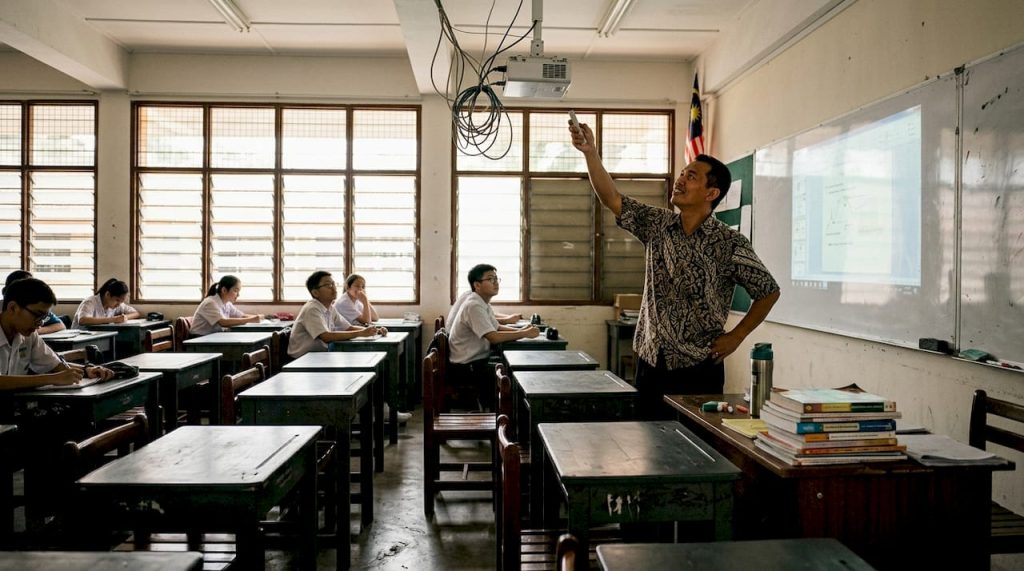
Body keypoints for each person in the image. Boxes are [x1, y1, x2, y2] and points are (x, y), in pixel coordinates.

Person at [570, 122, 781, 419]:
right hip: (650, 360)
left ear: (711, 193)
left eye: (691, 176)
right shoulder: (658, 224)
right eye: (682, 173)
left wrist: (737, 336)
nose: (680, 180)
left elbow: (768, 291)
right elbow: (612, 199)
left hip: (698, 366)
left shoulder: (729, 242)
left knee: (695, 454)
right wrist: (590, 153)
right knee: (651, 447)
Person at [289, 271, 410, 424]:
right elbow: (325, 336)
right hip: (304, 362)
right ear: (315, 292)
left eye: (333, 284)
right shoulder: (313, 308)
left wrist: (373, 331)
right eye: (328, 285)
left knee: (374, 368)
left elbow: (347, 328)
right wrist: (362, 333)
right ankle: (361, 413)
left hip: (321, 357)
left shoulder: (329, 308)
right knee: (365, 371)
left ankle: (377, 411)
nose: (333, 288)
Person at [447, 264, 540, 410]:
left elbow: (496, 327)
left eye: (496, 278)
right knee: (512, 377)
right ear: (477, 285)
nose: (495, 282)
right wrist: (524, 333)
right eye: (490, 279)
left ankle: (508, 418)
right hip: (466, 367)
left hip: (475, 361)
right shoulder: (474, 305)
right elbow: (494, 337)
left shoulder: (482, 302)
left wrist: (522, 330)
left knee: (510, 371)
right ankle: (503, 419)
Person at [1, 278, 114, 390]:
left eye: (43, 318)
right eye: (37, 315)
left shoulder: (29, 335)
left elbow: (54, 364)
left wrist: (86, 370)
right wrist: (52, 379)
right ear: (13, 308)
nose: (39, 325)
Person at [191, 275, 264, 336]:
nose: (238, 295)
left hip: (212, 337)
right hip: (199, 339)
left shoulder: (227, 303)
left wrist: (259, 317)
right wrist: (251, 319)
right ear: (224, 290)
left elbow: (241, 315)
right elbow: (223, 322)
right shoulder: (210, 303)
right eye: (235, 291)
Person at [3, 270, 65, 334]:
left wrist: (35, 331)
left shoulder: (28, 332)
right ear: (12, 308)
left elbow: (60, 325)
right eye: (37, 315)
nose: (41, 323)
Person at [72, 278, 141, 328]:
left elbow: (136, 313)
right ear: (107, 294)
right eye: (117, 300)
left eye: (121, 302)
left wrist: (124, 317)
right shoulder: (90, 302)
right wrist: (113, 319)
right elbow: (83, 320)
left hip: (98, 337)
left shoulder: (117, 304)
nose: (118, 304)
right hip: (79, 338)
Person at [446, 289, 522, 328]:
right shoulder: (472, 298)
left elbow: (488, 314)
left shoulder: (476, 295)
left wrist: (508, 317)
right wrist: (506, 320)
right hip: (460, 345)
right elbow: (483, 318)